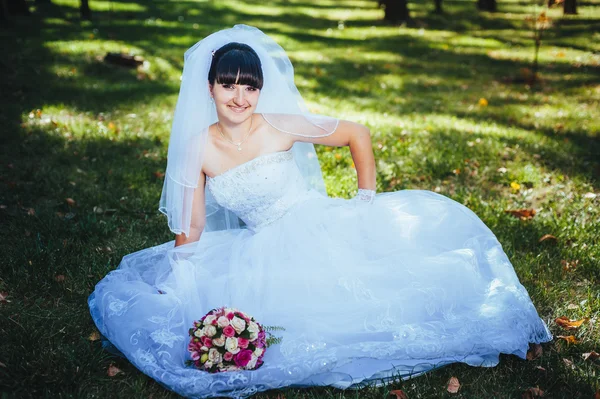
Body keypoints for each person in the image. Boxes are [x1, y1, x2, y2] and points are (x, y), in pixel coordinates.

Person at [88, 25, 552, 399]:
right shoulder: (198, 148)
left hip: (319, 223)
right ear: (209, 88)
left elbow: (357, 133)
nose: (239, 96)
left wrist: (365, 202)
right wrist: (180, 271)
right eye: (228, 84)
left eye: (249, 86)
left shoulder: (276, 124)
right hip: (260, 244)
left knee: (376, 295)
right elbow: (192, 226)